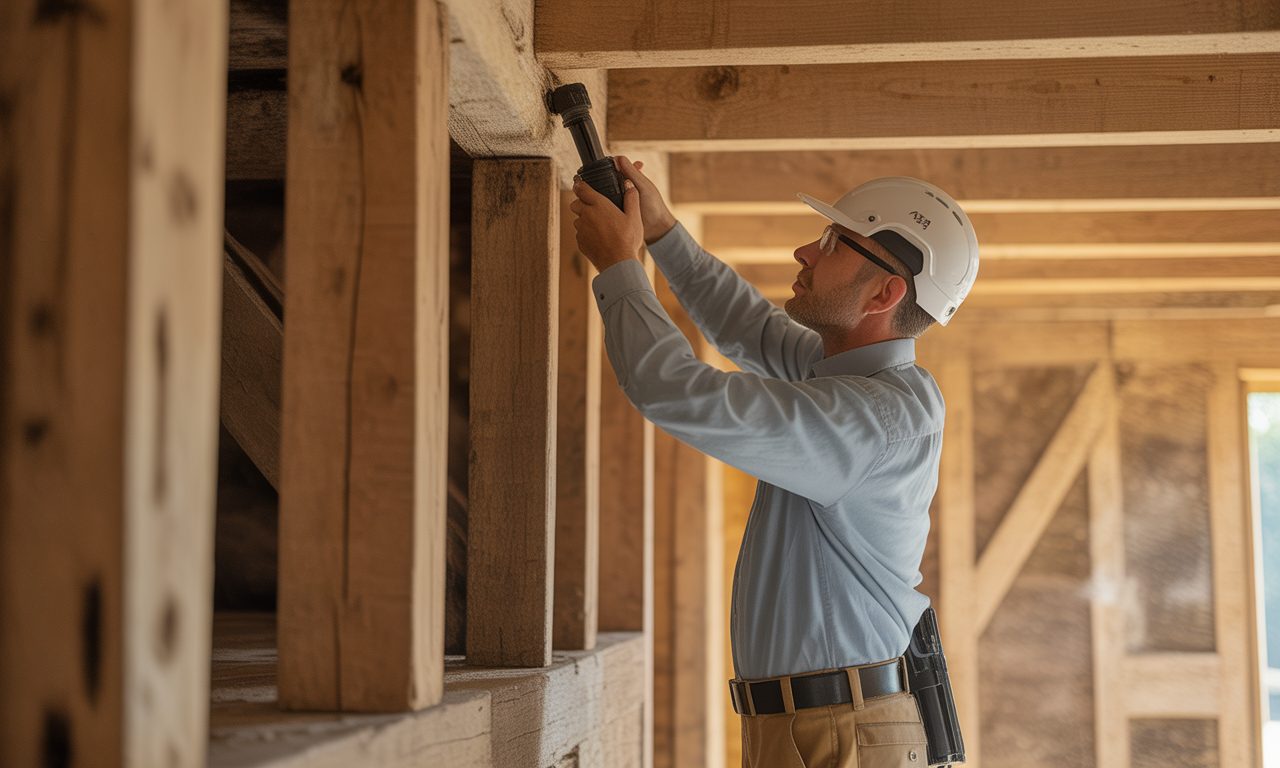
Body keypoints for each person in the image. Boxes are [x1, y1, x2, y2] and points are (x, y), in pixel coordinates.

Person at [570, 156, 979, 768]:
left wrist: (623, 269)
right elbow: (750, 329)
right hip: (831, 726)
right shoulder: (854, 376)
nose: (804, 252)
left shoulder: (869, 421)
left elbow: (676, 391)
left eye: (835, 244)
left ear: (885, 293)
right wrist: (660, 234)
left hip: (843, 734)